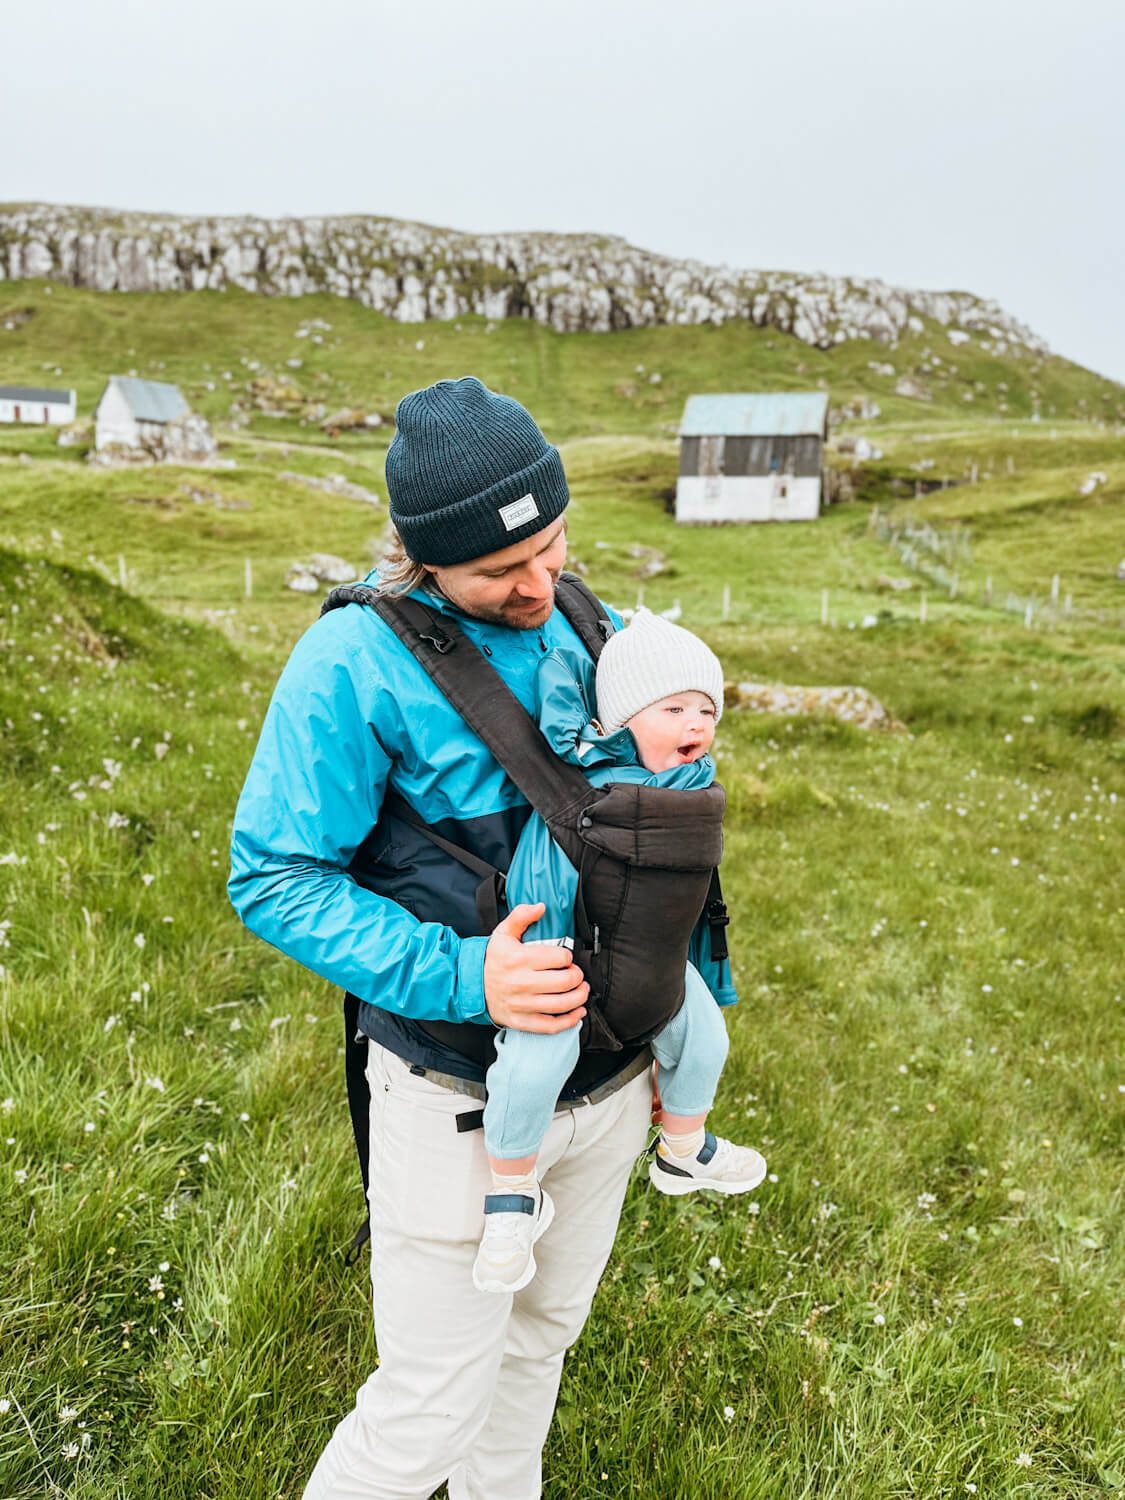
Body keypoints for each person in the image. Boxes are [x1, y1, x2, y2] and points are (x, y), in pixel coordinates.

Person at [229, 376, 702, 1500]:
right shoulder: (348, 665)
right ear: (423, 558)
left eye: (554, 546)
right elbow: (274, 877)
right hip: (459, 1095)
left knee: (537, 1352)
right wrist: (465, 974)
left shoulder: (597, 627)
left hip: (609, 1086)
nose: (543, 586)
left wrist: (671, 1019)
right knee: (428, 1411)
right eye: (502, 573)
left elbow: (666, 834)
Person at [472, 608, 766, 1295]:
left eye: (706, 710)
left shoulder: (690, 790)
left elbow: (694, 891)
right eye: (673, 708)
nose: (696, 725)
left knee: (705, 1040)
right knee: (531, 1062)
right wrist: (540, 952)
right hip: (566, 956)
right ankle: (512, 1197)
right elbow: (544, 870)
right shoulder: (586, 787)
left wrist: (706, 973)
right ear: (617, 720)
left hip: (654, 957)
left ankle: (682, 1149)